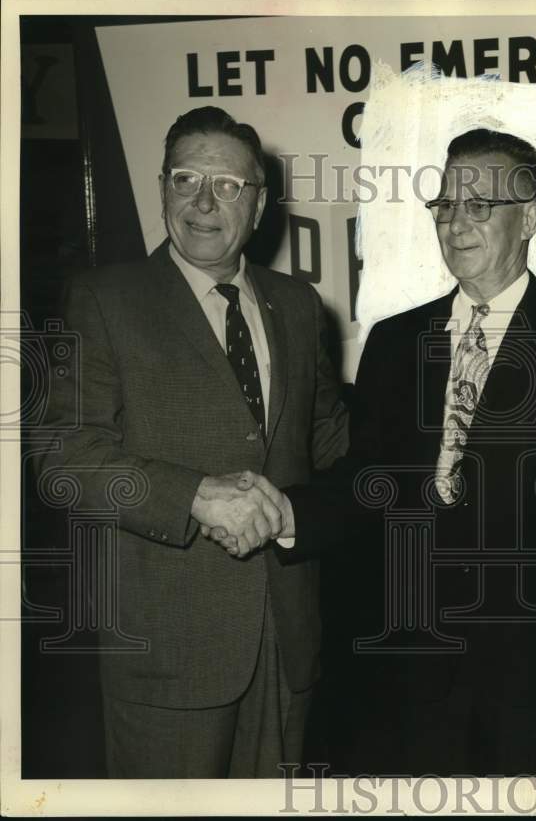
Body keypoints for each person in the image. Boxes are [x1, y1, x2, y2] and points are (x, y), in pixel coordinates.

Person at [235, 128, 536, 775]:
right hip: (409, 669)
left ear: (529, 219)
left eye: (479, 205)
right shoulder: (396, 342)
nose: (456, 223)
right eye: (446, 204)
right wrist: (289, 514)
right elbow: (368, 480)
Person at [38, 106, 348, 778]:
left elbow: (332, 444)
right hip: (167, 649)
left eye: (228, 185)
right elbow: (63, 458)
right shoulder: (104, 300)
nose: (204, 202)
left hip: (288, 640)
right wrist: (195, 496)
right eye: (186, 179)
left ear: (258, 205)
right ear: (162, 188)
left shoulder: (299, 305)